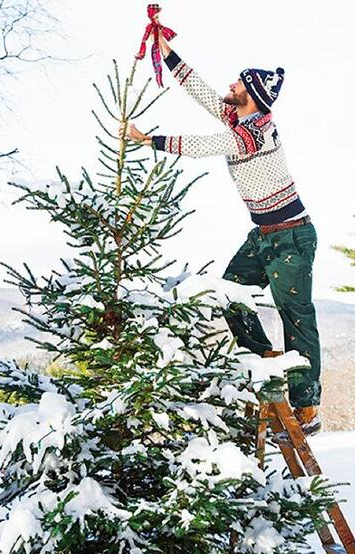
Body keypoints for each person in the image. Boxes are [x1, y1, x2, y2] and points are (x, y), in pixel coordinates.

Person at [122, 21, 322, 436]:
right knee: (230, 292)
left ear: (251, 95)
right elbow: (199, 91)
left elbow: (202, 146)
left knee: (296, 316)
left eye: (237, 83)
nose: (229, 85)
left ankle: (307, 407)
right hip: (264, 236)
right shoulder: (238, 117)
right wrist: (166, 51)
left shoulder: (254, 136)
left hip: (291, 236)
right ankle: (266, 358)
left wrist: (149, 140)